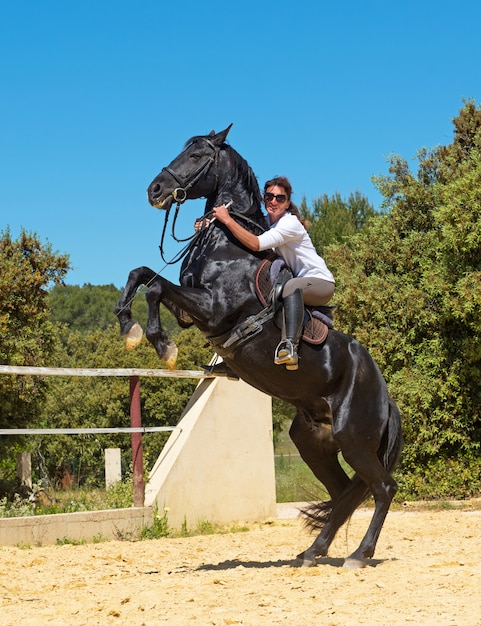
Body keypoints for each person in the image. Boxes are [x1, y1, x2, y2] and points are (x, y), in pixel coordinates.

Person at [212, 176, 335, 370]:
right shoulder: (269, 226)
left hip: (321, 284)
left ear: (287, 203)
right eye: (269, 196)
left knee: (291, 286)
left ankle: (290, 347)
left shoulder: (290, 224)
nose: (274, 201)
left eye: (280, 198)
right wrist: (210, 226)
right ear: (264, 198)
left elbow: (255, 243)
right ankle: (234, 360)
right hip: (302, 285)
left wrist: (226, 219)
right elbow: (245, 239)